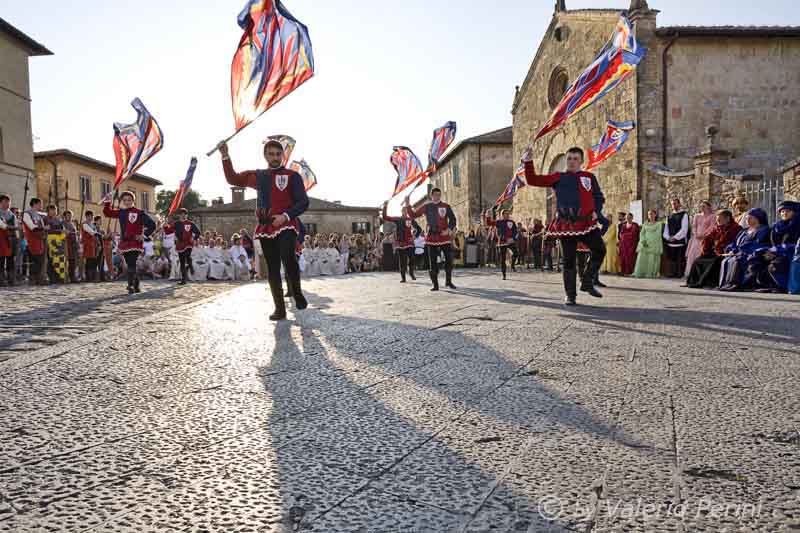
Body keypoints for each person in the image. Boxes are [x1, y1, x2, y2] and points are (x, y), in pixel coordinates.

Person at [218, 139, 309, 320]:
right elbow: (233, 178)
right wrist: (225, 156)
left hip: (286, 224)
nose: (275, 157)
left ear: (282, 155)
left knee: (288, 257)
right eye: (271, 154)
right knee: (273, 267)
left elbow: (303, 202)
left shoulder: (293, 176)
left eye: (278, 154)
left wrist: (285, 216)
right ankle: (279, 309)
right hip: (266, 226)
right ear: (265, 155)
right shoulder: (259, 176)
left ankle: (297, 292)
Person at [521, 146, 606, 305]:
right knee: (569, 260)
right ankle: (570, 295)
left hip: (586, 222)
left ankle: (587, 282)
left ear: (581, 161)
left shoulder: (588, 177)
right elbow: (533, 180)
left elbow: (598, 197)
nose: (572, 161)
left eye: (575, 159)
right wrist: (528, 161)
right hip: (567, 224)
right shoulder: (558, 177)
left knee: (600, 249)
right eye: (569, 158)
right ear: (566, 160)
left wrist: (597, 211)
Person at [102, 191, 156, 294]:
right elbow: (107, 213)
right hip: (124, 242)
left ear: (133, 200)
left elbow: (152, 225)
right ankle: (136, 285)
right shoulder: (121, 212)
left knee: (131, 263)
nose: (127, 202)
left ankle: (130, 285)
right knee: (129, 264)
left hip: (135, 242)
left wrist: (143, 235)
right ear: (123, 201)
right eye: (125, 200)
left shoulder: (140, 213)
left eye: (129, 200)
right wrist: (108, 200)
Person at [404, 187, 457, 291]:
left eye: (439, 195)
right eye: (435, 195)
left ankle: (449, 281)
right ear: (431, 195)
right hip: (431, 238)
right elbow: (413, 215)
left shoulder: (446, 206)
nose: (437, 197)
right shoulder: (427, 207)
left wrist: (449, 229)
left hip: (444, 237)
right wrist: (407, 204)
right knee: (432, 263)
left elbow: (453, 219)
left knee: (449, 260)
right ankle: (435, 284)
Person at [742, 201, 800, 293]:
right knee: (756, 257)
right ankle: (762, 284)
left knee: (777, 263)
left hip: (792, 253)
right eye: (782, 211)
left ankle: (781, 286)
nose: (784, 213)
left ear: (795, 212)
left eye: (788, 211)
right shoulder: (777, 226)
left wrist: (777, 250)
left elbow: (796, 245)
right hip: (776, 252)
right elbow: (772, 243)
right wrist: (769, 252)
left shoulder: (797, 225)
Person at [686, 209, 740, 288]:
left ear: (728, 219)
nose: (718, 222)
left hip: (726, 252)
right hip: (715, 252)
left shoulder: (735, 228)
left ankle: (707, 283)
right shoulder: (717, 228)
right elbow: (709, 238)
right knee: (698, 260)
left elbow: (731, 242)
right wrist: (707, 246)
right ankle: (692, 282)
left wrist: (720, 247)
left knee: (714, 261)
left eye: (719, 220)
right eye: (717, 220)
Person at [719, 208, 770, 291]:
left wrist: (740, 250)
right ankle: (725, 283)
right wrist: (731, 249)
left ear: (758, 218)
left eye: (750, 218)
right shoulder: (744, 231)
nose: (747, 220)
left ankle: (735, 284)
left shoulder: (763, 230)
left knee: (736, 260)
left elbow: (759, 244)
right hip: (739, 253)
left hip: (751, 253)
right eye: (746, 218)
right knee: (726, 260)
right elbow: (734, 242)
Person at [382, 202, 421, 283]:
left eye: (406, 210)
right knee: (402, 261)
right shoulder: (398, 219)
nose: (405, 212)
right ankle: (403, 277)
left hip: (409, 242)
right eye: (403, 210)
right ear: (401, 211)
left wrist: (414, 237)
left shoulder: (410, 219)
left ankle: (411, 272)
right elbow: (385, 217)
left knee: (412, 259)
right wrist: (385, 207)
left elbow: (419, 229)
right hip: (400, 243)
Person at [685, 201, 716, 277]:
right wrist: (696, 234)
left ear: (708, 207)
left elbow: (711, 227)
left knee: (700, 255)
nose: (702, 208)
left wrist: (704, 235)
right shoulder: (697, 216)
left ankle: (699, 275)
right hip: (696, 239)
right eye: (701, 206)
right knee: (692, 255)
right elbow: (694, 226)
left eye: (704, 206)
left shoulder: (712, 216)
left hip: (705, 239)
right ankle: (690, 273)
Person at [172, 208, 201, 285]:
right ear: (179, 215)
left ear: (187, 215)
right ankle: (183, 279)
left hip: (188, 243)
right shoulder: (176, 223)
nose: (183, 215)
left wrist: (194, 238)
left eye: (185, 214)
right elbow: (169, 231)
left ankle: (190, 265)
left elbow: (198, 232)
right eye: (181, 214)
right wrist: (165, 226)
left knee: (187, 256)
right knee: (182, 262)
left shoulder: (190, 223)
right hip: (180, 244)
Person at [633, 209, 664, 279]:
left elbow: (658, 234)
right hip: (645, 243)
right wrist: (643, 241)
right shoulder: (645, 224)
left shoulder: (659, 224)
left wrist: (650, 242)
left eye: (652, 214)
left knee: (652, 258)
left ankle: (650, 273)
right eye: (649, 214)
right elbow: (642, 233)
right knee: (642, 257)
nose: (651, 215)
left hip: (654, 243)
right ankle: (641, 272)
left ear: (655, 215)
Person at [663, 198, 690, 278]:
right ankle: (672, 273)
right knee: (671, 259)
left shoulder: (684, 214)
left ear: (679, 204)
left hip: (680, 241)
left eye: (675, 203)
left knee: (680, 259)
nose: (673, 205)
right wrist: (667, 237)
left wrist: (675, 237)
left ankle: (680, 273)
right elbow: (666, 228)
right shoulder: (669, 216)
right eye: (672, 204)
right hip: (670, 241)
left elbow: (684, 229)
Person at [23, 198, 46, 285]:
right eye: (40, 204)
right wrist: (43, 228)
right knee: (34, 260)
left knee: (40, 260)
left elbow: (42, 227)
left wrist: (44, 230)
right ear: (35, 204)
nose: (41, 206)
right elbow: (31, 226)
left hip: (39, 240)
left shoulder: (39, 215)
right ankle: (33, 278)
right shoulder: (27, 214)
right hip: (31, 239)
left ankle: (39, 278)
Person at [492, 209, 518, 280]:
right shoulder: (499, 222)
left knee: (516, 253)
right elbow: (490, 223)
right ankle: (504, 275)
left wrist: (513, 238)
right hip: (502, 242)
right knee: (502, 259)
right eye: (505, 214)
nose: (507, 215)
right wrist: (489, 214)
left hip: (510, 241)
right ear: (502, 215)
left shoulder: (512, 222)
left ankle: (512, 265)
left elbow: (515, 232)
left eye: (508, 214)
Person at [0, 195, 18, 286]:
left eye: (8, 202)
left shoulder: (12, 215)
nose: (7, 204)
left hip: (11, 239)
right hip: (1, 239)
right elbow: (2, 226)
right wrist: (13, 227)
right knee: (1, 260)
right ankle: (1, 280)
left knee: (11, 260)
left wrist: (17, 236)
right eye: (5, 202)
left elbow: (16, 227)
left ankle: (11, 279)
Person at [62, 210, 79, 283]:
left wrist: (77, 235)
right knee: (66, 261)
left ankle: (73, 276)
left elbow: (75, 234)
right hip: (66, 243)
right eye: (68, 215)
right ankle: (66, 276)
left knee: (73, 262)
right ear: (64, 216)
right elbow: (63, 232)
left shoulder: (73, 224)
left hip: (73, 244)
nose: (69, 217)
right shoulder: (62, 223)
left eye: (70, 215)